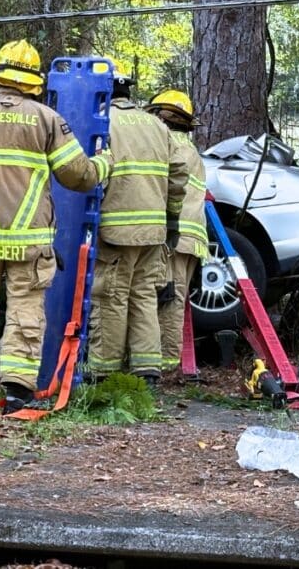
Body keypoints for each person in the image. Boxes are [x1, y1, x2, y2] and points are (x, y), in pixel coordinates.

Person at [0, 40, 112, 413]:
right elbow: (78, 175)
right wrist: (104, 163)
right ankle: (17, 393)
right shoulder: (47, 119)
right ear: (33, 81)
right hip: (28, 242)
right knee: (25, 310)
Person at [87, 69, 189, 386]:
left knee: (111, 297)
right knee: (144, 295)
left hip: (116, 231)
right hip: (154, 231)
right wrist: (172, 221)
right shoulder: (157, 126)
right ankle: (147, 370)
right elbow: (179, 175)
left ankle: (104, 372)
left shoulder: (102, 122)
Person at [145, 90, 207, 371]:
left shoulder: (170, 145)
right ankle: (165, 362)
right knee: (171, 296)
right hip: (189, 238)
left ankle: (165, 365)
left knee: (168, 297)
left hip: (175, 237)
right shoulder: (189, 149)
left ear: (161, 116)